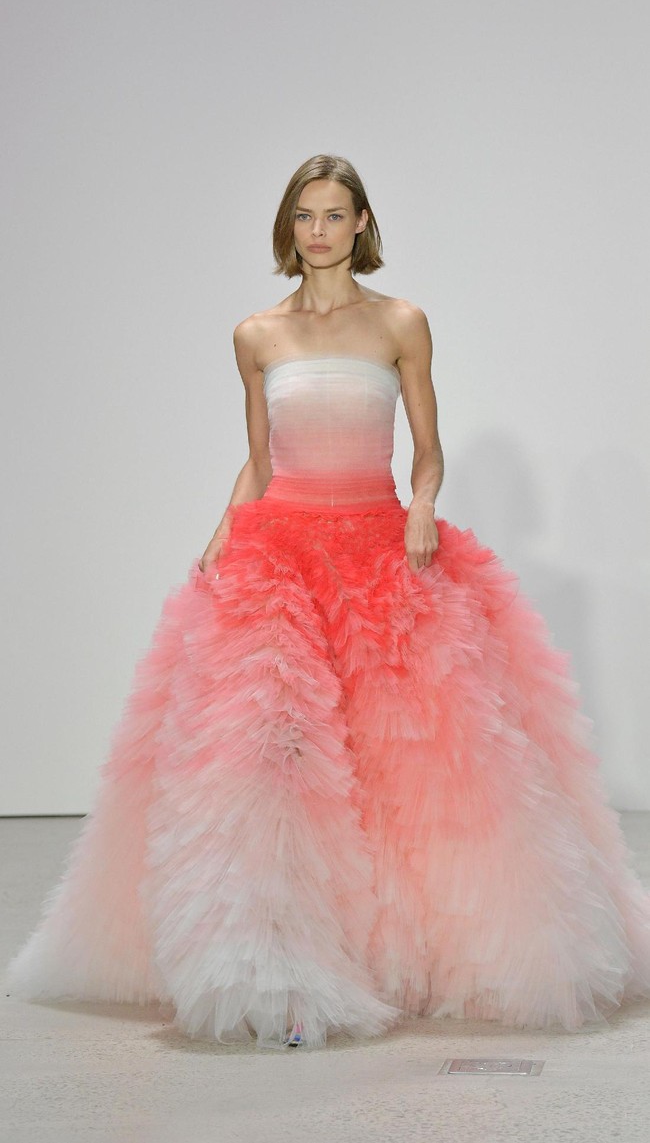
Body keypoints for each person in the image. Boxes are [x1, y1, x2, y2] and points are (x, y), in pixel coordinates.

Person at [6, 154, 650, 1052]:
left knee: (410, 759)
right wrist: (221, 531)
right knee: (268, 761)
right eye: (304, 214)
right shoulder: (256, 335)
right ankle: (277, 969)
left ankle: (401, 956)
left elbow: (427, 448)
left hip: (382, 547)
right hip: (276, 555)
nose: (318, 229)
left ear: (360, 223)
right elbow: (263, 463)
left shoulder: (401, 323)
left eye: (335, 213)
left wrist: (424, 504)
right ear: (290, 224)